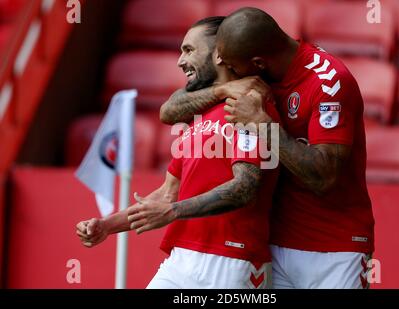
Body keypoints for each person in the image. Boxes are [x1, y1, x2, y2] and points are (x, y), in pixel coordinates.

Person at [160, 8, 375, 289]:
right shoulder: (258, 71)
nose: (229, 74)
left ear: (257, 63)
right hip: (272, 246)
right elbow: (169, 111)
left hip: (334, 246)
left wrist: (263, 125)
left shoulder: (330, 82)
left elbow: (324, 177)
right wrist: (220, 91)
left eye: (233, 68)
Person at [76, 16, 280, 289]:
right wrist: (106, 226)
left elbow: (244, 187)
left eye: (189, 50)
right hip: (182, 258)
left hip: (233, 260)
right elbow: (167, 193)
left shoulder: (249, 106)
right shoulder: (199, 115)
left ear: (220, 53)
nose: (180, 61)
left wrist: (171, 211)